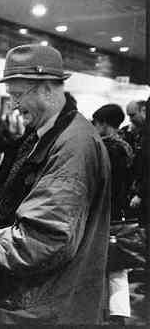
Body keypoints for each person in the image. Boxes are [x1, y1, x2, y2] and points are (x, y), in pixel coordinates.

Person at [0, 44, 111, 324]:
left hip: (37, 307)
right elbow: (22, 192)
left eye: (17, 95)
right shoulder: (47, 133)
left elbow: (43, 241)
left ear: (46, 89)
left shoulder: (73, 146)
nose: (13, 105)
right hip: (21, 300)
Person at [92, 104, 134, 324]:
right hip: (121, 211)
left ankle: (99, 312)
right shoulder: (126, 147)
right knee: (118, 266)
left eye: (95, 122)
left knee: (100, 261)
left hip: (103, 212)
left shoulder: (105, 149)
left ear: (104, 124)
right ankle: (119, 313)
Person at [120, 100, 145, 222]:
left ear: (143, 111)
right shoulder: (129, 132)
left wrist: (140, 193)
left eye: (132, 115)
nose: (130, 120)